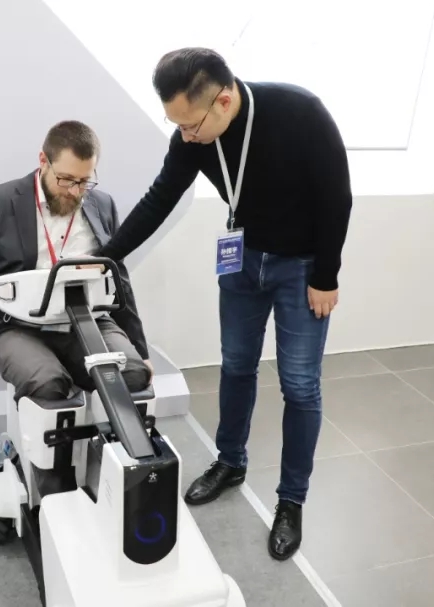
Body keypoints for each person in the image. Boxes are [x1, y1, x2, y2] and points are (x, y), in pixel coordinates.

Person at [94, 48, 353, 562]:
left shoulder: (300, 113)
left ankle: (291, 501)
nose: (185, 137)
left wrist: (326, 275)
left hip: (302, 269)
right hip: (242, 261)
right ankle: (229, 462)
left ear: (224, 100)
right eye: (176, 125)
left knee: (300, 385)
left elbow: (336, 197)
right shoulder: (192, 135)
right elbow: (160, 196)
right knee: (235, 365)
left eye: (190, 125)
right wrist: (105, 257)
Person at [0, 120, 154, 410]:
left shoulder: (103, 205)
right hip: (17, 326)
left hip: (90, 320)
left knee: (134, 375)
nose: (75, 191)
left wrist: (141, 350)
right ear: (43, 161)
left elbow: (119, 280)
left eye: (84, 181)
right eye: (66, 179)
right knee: (49, 384)